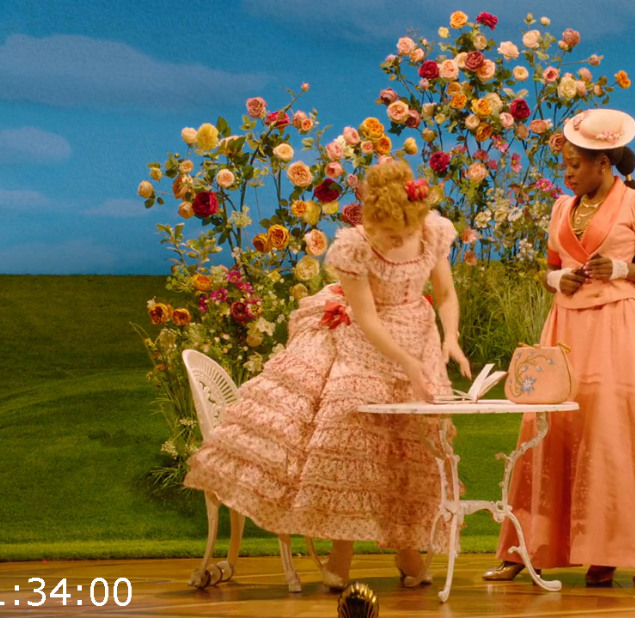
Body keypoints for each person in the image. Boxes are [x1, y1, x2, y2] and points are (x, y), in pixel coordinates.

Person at [184, 159, 472, 592]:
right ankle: (342, 549)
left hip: (419, 336)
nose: (396, 240)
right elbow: (368, 318)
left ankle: (408, 548)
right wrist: (406, 364)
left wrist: (450, 338)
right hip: (367, 343)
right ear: (371, 221)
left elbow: (445, 294)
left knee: (415, 445)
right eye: (387, 233)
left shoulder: (432, 231)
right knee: (353, 444)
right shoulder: (354, 247)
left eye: (402, 233)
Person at [484, 108, 635, 587]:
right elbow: (550, 268)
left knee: (608, 431)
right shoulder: (561, 209)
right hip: (567, 325)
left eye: (574, 164)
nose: (567, 173)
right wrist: (557, 279)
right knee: (547, 428)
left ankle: (606, 548)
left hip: (620, 325)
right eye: (565, 164)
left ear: (602, 163)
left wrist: (624, 269)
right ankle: (527, 547)